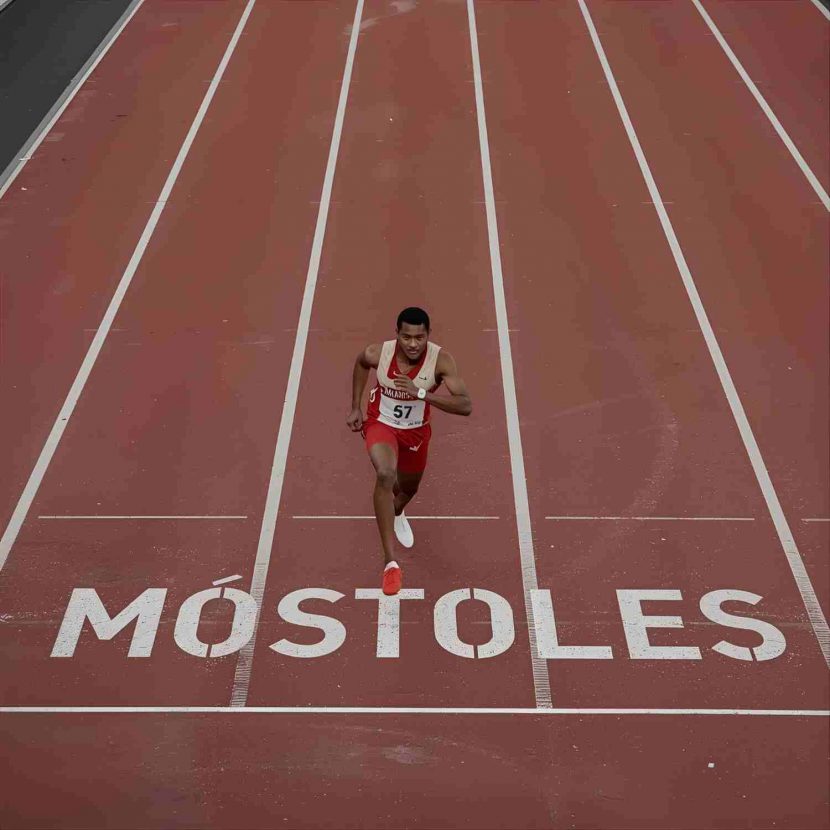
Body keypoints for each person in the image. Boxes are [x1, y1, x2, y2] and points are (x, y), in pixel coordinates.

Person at [346, 307, 472, 595]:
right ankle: (391, 563)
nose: (413, 344)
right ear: (397, 334)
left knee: (408, 488)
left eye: (419, 337)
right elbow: (360, 362)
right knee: (386, 474)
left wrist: (422, 393)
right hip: (382, 424)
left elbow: (465, 405)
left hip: (416, 431)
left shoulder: (441, 361)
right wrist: (356, 405)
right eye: (406, 337)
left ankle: (397, 510)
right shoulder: (380, 353)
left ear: (428, 335)